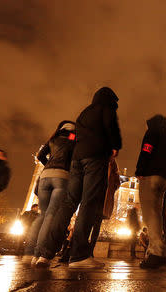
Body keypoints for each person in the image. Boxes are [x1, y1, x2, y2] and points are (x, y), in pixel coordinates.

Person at [37, 87, 122, 269]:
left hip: (77, 160)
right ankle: (79, 256)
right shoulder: (106, 108)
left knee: (68, 204)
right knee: (89, 202)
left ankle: (45, 254)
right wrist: (115, 146)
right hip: (95, 158)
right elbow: (111, 128)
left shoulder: (83, 113)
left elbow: (76, 138)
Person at [24, 121, 76, 265]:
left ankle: (31, 253)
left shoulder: (53, 138)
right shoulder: (73, 139)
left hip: (45, 176)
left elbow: (41, 155)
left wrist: (49, 165)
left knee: (42, 215)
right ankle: (41, 254)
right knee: (51, 216)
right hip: (61, 177)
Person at [136, 115, 166, 269]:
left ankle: (156, 252)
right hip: (163, 180)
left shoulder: (152, 133)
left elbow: (146, 150)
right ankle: (158, 252)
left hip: (150, 176)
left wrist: (140, 169)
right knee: (157, 215)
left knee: (149, 214)